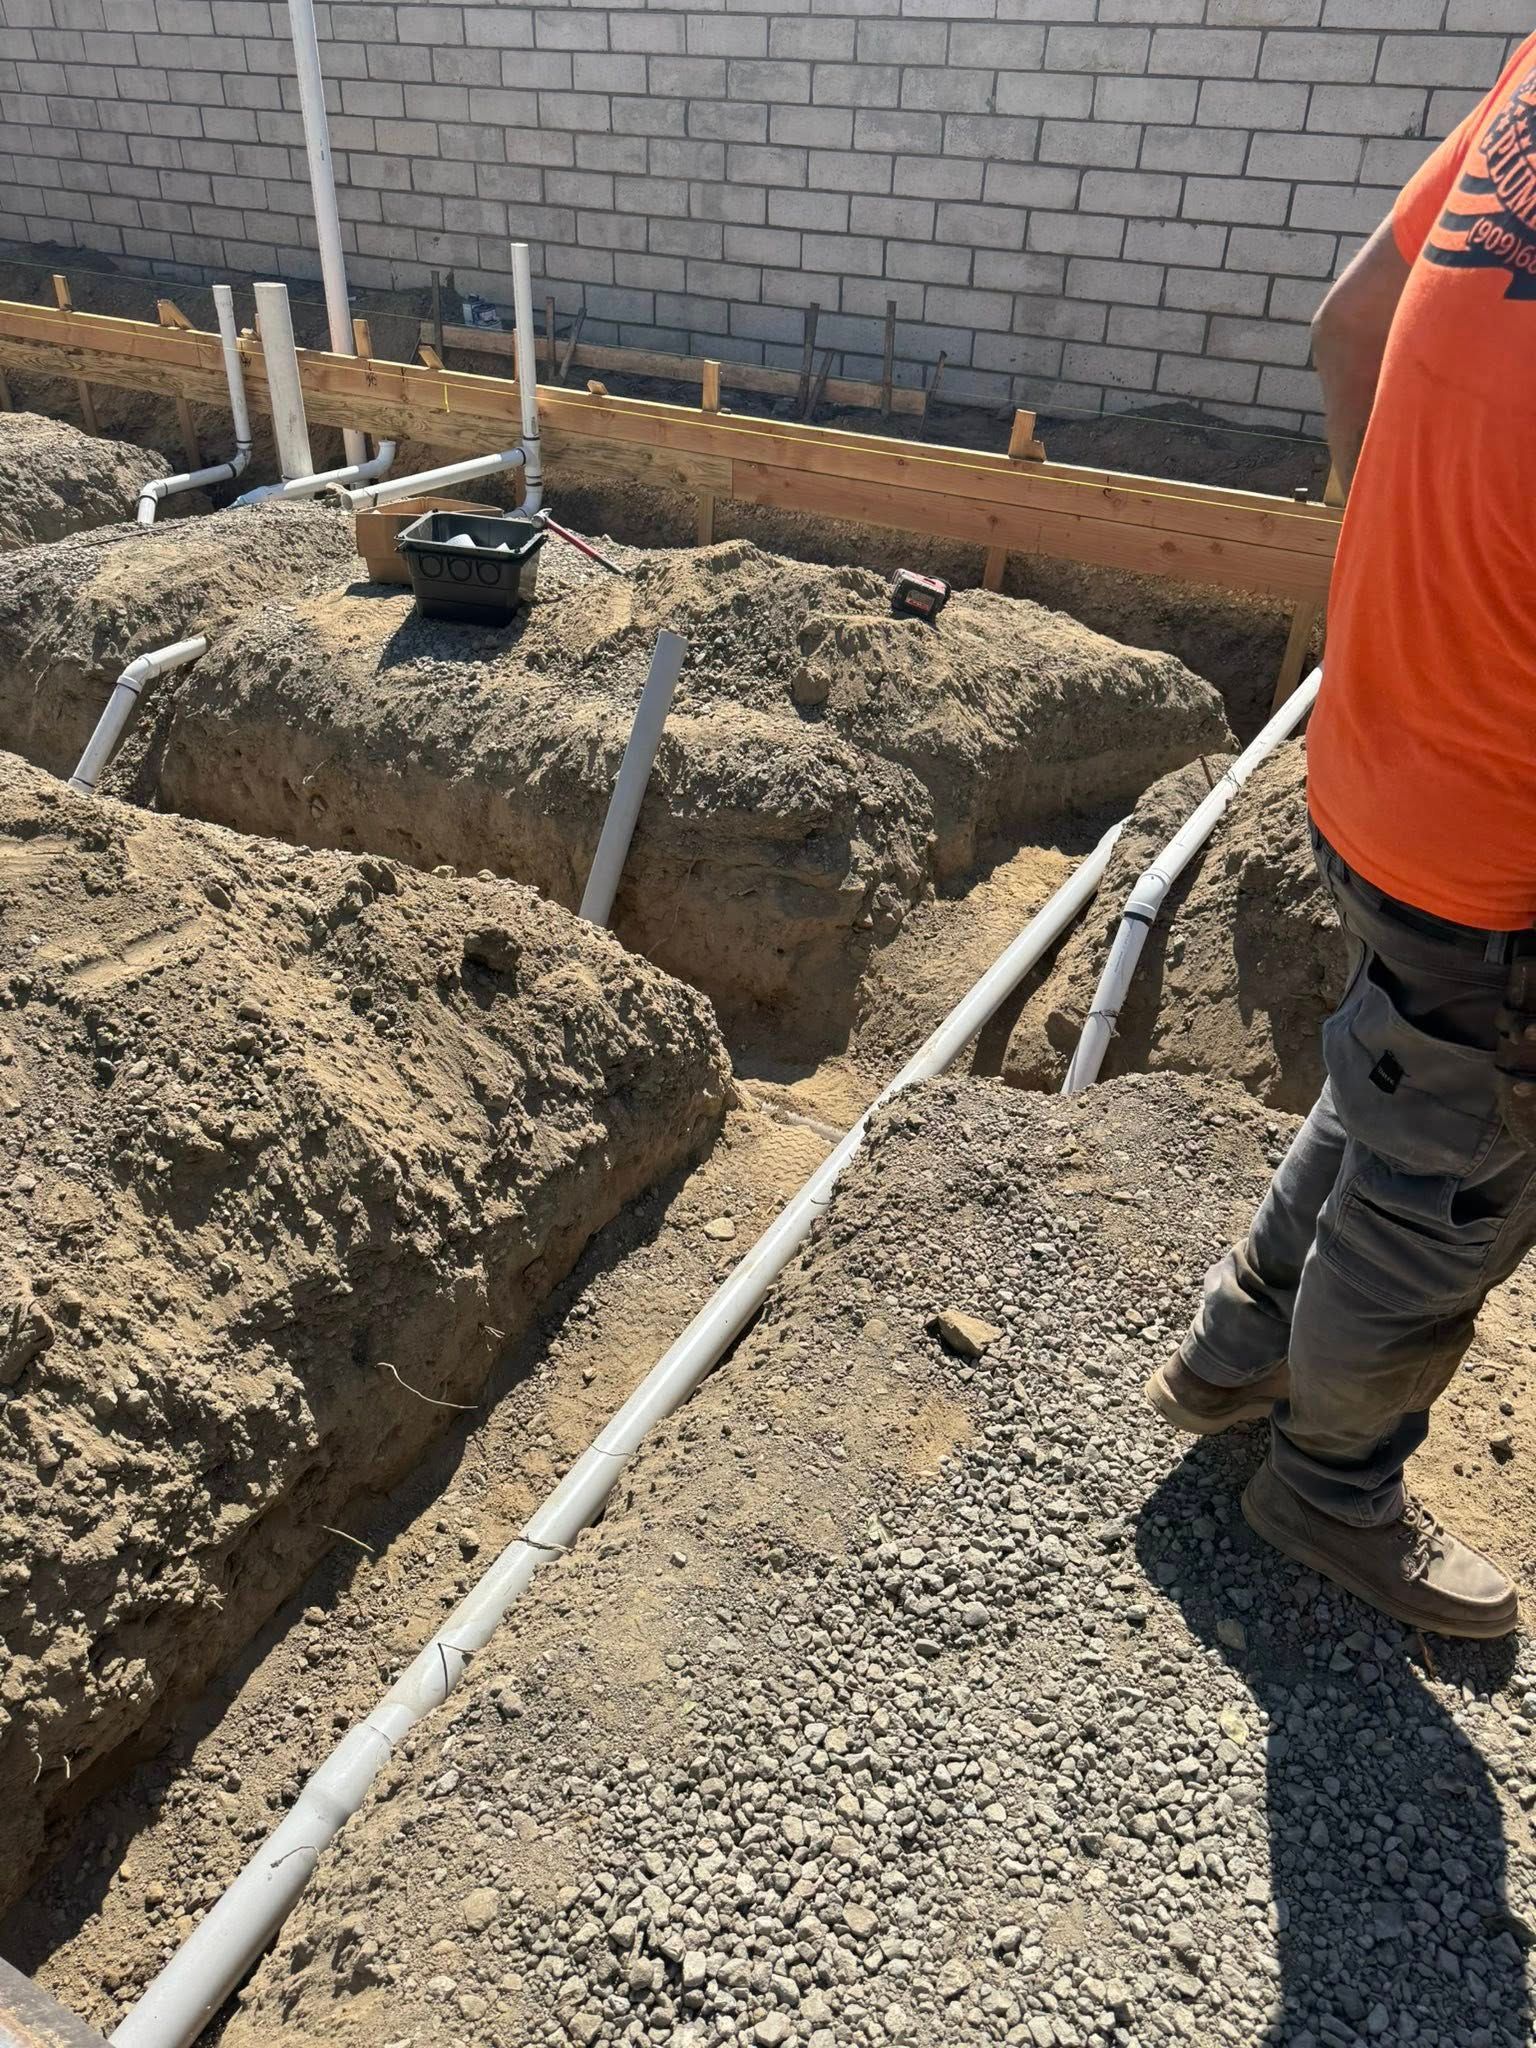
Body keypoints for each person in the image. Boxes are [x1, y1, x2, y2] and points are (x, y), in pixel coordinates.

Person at [1146, 31, 1536, 1640]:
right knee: (1460, 1167)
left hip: (1371, 742)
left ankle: (1241, 1343)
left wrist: (1398, 598)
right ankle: (1330, 1487)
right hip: (1490, 827)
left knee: (1406, 1068)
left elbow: (1347, 325)